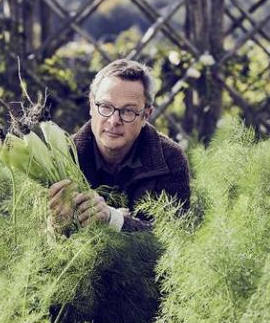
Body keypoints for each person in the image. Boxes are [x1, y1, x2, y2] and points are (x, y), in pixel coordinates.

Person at [48, 59, 190, 232]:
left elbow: (174, 235)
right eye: (106, 107)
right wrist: (55, 225)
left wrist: (114, 219)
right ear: (92, 106)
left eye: (128, 111)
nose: (114, 121)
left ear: (146, 115)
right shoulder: (62, 156)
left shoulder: (170, 158)